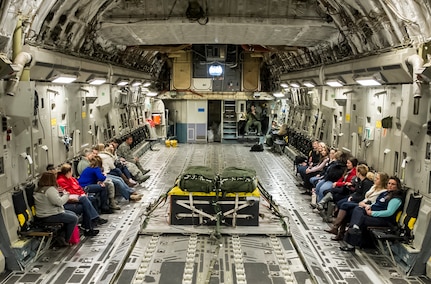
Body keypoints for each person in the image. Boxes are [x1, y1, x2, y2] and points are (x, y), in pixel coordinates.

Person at [340, 176, 404, 251]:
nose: (390, 185)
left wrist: (372, 213)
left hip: (383, 220)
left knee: (361, 219)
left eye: (393, 184)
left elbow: (389, 212)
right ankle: (355, 228)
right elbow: (376, 203)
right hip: (372, 212)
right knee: (358, 209)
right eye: (389, 183)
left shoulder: (395, 198)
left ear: (397, 186)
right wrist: (368, 206)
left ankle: (351, 243)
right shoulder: (385, 193)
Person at [323, 164, 374, 240]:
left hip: (361, 202)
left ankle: (336, 227)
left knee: (344, 205)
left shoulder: (366, 183)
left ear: (359, 172)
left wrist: (353, 198)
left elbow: (363, 196)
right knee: (342, 204)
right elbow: (356, 192)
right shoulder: (361, 181)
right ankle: (339, 231)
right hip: (355, 198)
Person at [57, 163, 108, 236]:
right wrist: (81, 194)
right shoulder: (61, 181)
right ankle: (93, 221)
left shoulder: (71, 178)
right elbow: (69, 192)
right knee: (85, 204)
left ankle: (91, 224)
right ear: (68, 172)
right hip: (69, 200)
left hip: (78, 195)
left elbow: (77, 187)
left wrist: (82, 193)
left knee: (92, 199)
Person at [33, 172, 78, 246]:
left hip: (43, 215)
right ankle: (66, 240)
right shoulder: (50, 189)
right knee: (74, 218)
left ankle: (61, 236)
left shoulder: (38, 189)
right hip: (50, 215)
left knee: (71, 214)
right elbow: (59, 202)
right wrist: (66, 195)